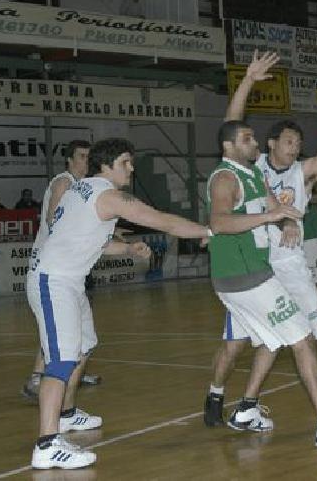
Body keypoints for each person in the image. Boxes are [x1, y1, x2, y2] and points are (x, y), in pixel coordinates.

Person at [201, 50, 317, 447]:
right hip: (254, 263)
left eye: (300, 142)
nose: (296, 147)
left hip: (288, 265)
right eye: (290, 140)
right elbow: (232, 127)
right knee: (252, 341)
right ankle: (229, 399)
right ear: (271, 143)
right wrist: (246, 82)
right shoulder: (250, 164)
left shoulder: (303, 171)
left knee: (314, 336)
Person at [25, 138, 214, 470]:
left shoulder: (82, 190)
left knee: (83, 346)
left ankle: (66, 415)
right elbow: (161, 221)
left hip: (68, 280)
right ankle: (46, 444)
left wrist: (126, 249)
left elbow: (88, 240)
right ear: (106, 166)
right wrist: (208, 230)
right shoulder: (107, 195)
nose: (131, 167)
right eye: (126, 162)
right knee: (59, 361)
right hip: (53, 281)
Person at [20, 140, 101, 402]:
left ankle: (71, 370)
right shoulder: (64, 182)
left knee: (69, 324)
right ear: (69, 159)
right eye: (81, 156)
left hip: (67, 267)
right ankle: (37, 378)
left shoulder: (81, 187)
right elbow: (53, 218)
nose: (86, 161)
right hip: (51, 267)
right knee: (57, 324)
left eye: (89, 157)